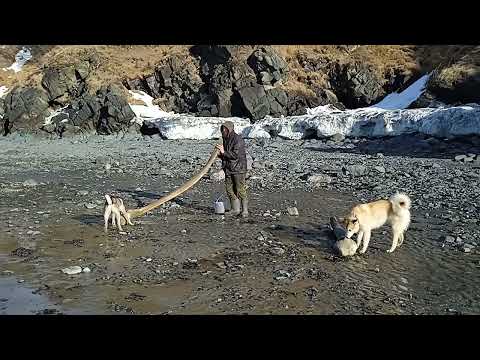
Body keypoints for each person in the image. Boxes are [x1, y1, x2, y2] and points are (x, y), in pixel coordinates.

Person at [215, 121, 248, 218]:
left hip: (238, 168)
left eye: (225, 129)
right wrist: (220, 154)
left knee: (240, 189)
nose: (223, 131)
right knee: (229, 189)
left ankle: (245, 210)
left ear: (229, 129)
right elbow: (226, 155)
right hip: (228, 168)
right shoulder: (225, 139)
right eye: (222, 129)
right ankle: (235, 209)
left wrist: (223, 152)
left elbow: (235, 155)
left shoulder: (238, 139)